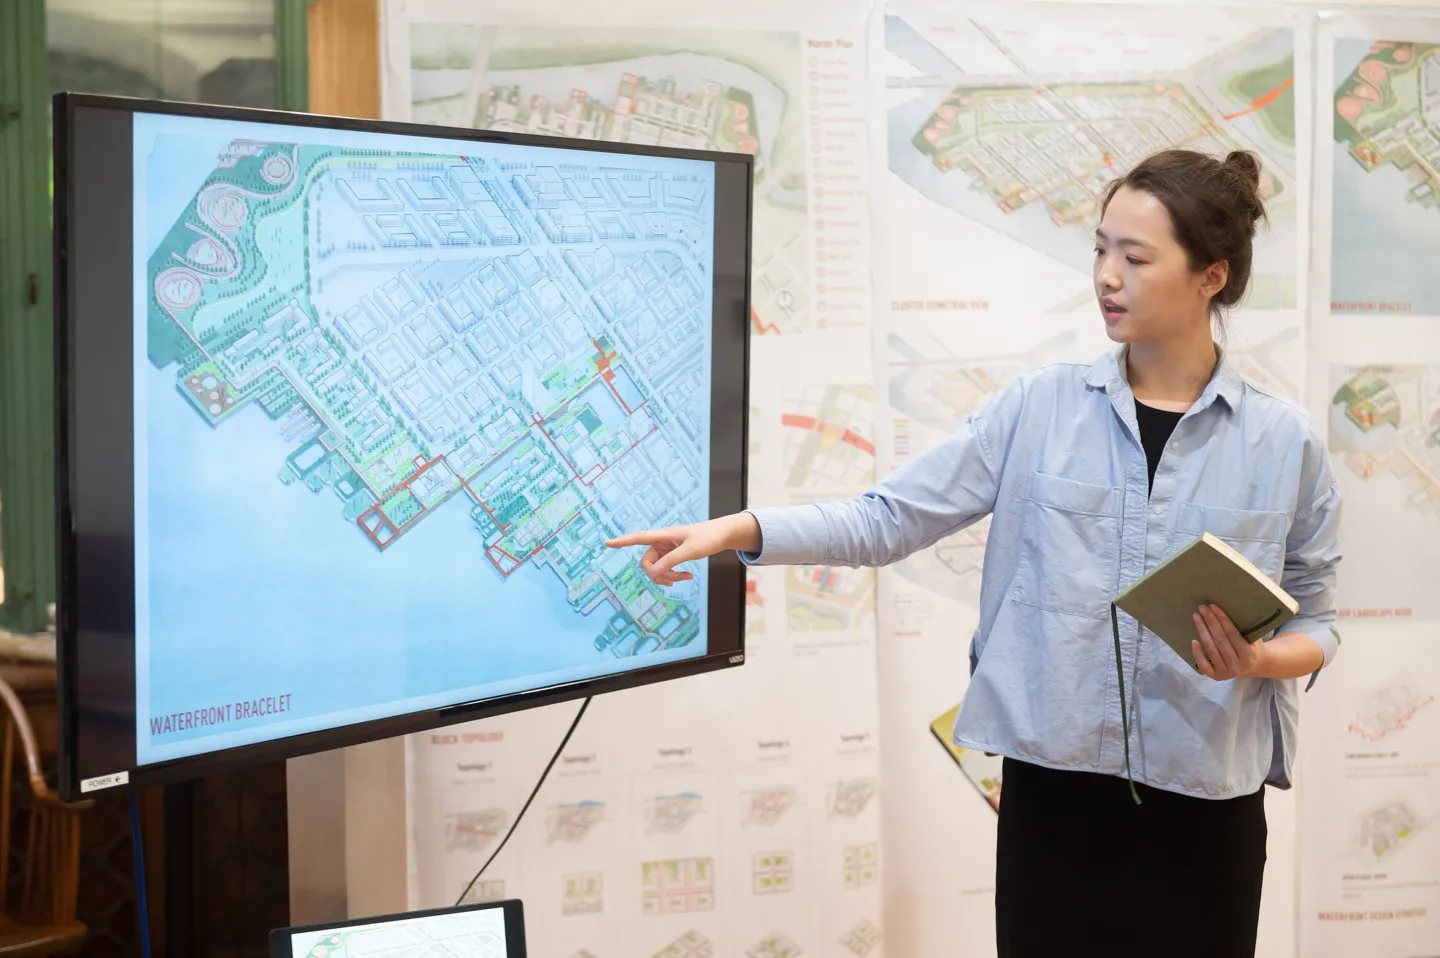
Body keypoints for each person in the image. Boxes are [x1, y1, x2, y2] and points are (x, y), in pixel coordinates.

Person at [606, 148, 1341, 957]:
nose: (1106, 275)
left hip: (1208, 810)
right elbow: (888, 520)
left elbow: (1320, 619)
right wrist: (740, 530)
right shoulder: (1038, 408)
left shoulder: (1283, 443)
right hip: (1053, 803)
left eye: (1135, 257)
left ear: (1211, 278)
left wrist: (1258, 663)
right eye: (1100, 248)